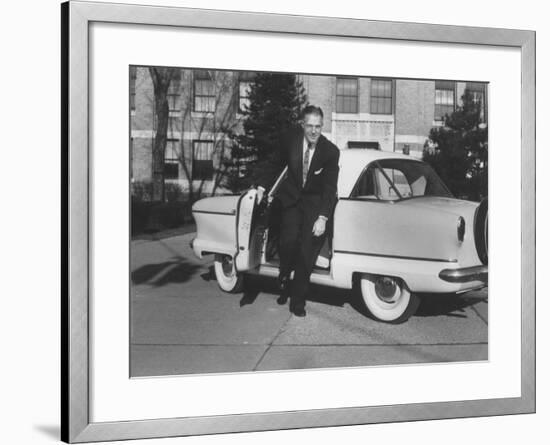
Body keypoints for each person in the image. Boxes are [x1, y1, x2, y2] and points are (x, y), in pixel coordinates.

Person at [256, 105, 340, 317]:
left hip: (314, 206)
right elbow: (275, 163)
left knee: (305, 254)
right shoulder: (290, 140)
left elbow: (330, 189)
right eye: (310, 126)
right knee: (287, 242)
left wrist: (322, 218)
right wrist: (261, 186)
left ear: (322, 127)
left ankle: (298, 301)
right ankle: (284, 273)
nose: (313, 131)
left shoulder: (330, 152)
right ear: (303, 125)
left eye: (318, 127)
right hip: (291, 201)